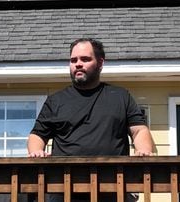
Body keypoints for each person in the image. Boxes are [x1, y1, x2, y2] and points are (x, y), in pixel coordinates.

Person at [27, 38, 155, 201]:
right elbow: (37, 135)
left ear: (100, 63)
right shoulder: (56, 101)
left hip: (114, 188)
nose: (78, 64)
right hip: (64, 189)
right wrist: (36, 151)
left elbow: (139, 130)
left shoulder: (121, 96)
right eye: (73, 60)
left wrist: (142, 150)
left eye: (85, 59)